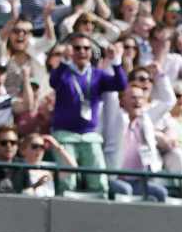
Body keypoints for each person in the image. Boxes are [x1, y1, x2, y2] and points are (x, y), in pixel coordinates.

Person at [50, 34, 127, 192]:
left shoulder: (97, 74)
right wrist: (64, 61)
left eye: (86, 48)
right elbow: (54, 81)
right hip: (65, 135)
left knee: (98, 181)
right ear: (71, 51)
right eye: (77, 48)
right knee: (68, 182)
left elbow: (120, 84)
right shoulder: (64, 72)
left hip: (89, 135)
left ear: (91, 52)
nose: (82, 52)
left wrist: (116, 62)